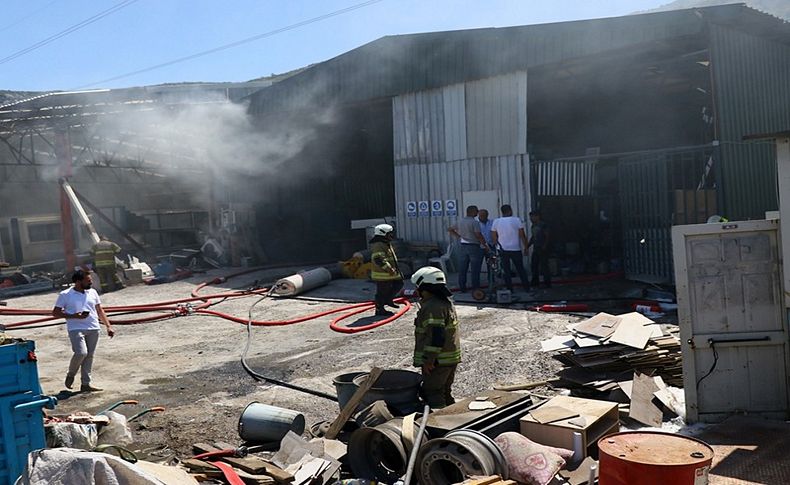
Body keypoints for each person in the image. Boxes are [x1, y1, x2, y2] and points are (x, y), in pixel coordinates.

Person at [52, 270, 115, 392]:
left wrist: (108, 326)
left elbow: (99, 310)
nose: (91, 283)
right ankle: (71, 374)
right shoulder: (65, 294)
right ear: (78, 281)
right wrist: (75, 316)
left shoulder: (92, 292)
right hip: (76, 328)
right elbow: (55, 313)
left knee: (89, 356)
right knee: (81, 353)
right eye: (88, 281)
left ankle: (86, 384)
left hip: (93, 327)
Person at [411, 266, 460, 409]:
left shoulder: (432, 307)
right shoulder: (446, 302)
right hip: (449, 358)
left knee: (433, 393)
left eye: (417, 287)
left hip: (438, 361)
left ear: (425, 289)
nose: (416, 291)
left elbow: (436, 336)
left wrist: (429, 360)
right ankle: (456, 419)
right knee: (445, 391)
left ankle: (440, 426)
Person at [491, 204, 531, 292]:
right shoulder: (516, 220)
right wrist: (526, 247)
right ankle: (526, 287)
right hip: (515, 248)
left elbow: (493, 236)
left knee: (506, 270)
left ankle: (509, 288)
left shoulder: (496, 221)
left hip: (502, 249)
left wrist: (497, 246)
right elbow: (522, 235)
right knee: (520, 269)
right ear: (510, 211)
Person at [448, 205, 487, 292]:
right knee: (475, 269)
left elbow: (450, 229)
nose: (477, 213)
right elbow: (478, 235)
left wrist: (459, 237)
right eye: (476, 211)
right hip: (473, 246)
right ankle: (476, 288)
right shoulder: (474, 222)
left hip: (462, 246)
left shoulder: (460, 221)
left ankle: (462, 287)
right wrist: (484, 244)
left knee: (462, 268)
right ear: (472, 212)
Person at [369, 224, 404, 316]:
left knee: (399, 284)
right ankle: (380, 310)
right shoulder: (378, 245)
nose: (392, 235)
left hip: (391, 272)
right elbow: (378, 259)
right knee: (382, 292)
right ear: (383, 234)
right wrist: (389, 269)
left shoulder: (385, 242)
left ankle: (388, 300)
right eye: (390, 233)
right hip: (383, 274)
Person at [528, 210, 552, 288]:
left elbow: (547, 236)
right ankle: (535, 281)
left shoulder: (543, 225)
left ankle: (547, 282)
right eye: (530, 217)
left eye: (532, 217)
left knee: (544, 266)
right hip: (536, 248)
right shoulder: (533, 226)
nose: (531, 218)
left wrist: (545, 245)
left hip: (542, 248)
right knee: (534, 265)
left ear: (537, 217)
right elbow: (533, 237)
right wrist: (527, 246)